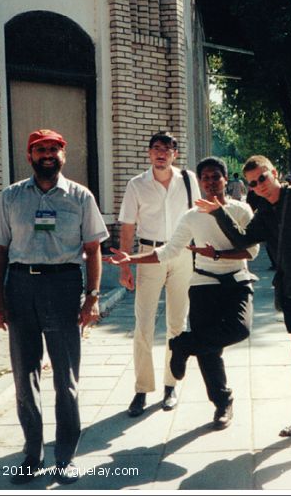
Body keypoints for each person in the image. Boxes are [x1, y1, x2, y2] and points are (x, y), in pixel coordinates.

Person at [0, 129, 109, 485]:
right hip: (21, 287)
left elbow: (93, 248)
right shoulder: (10, 197)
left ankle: (65, 457)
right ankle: (32, 453)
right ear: (30, 156)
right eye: (41, 149)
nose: (48, 154)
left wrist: (93, 297)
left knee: (66, 378)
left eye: (54, 149)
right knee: (25, 375)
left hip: (64, 286)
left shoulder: (81, 197)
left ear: (63, 156)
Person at [195, 155, 291, 437]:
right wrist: (218, 213)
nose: (259, 186)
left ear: (273, 172)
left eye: (262, 178)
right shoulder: (264, 212)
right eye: (253, 184)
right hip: (290, 287)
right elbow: (242, 239)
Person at [106, 157, 257, 430]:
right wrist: (131, 259)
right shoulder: (191, 216)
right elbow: (168, 251)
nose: (211, 182)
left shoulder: (241, 210)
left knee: (240, 329)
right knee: (211, 352)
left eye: (216, 177)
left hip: (236, 281)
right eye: (206, 178)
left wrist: (219, 254)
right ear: (200, 183)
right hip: (204, 284)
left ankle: (184, 344)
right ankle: (222, 403)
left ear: (226, 180)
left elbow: (251, 251)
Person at [117, 131, 200, 417]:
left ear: (175, 153)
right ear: (149, 153)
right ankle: (142, 388)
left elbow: (199, 219)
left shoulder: (188, 181)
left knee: (177, 322)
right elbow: (127, 226)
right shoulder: (137, 185)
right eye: (155, 148)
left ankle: (171, 384)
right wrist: (125, 265)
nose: (160, 153)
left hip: (181, 255)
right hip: (148, 255)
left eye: (166, 148)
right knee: (144, 324)